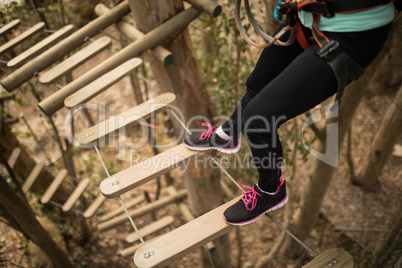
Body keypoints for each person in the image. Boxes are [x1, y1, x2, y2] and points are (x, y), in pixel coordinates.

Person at [184, 0, 396, 226]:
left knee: (257, 121)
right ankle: (227, 135)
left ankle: (270, 190)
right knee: (256, 84)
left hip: (352, 34)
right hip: (307, 17)